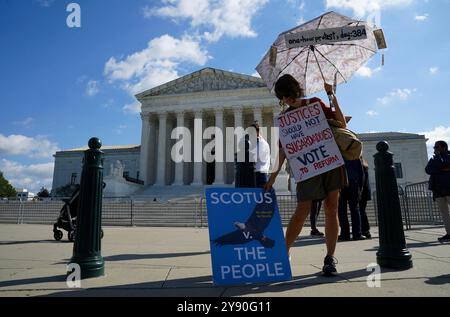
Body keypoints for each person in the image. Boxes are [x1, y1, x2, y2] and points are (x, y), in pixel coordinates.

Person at [264, 74, 348, 276]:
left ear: (296, 90)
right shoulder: (285, 118)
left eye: (288, 94)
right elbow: (282, 151)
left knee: (331, 208)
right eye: (282, 97)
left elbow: (342, 123)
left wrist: (332, 95)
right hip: (306, 167)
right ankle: (284, 252)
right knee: (302, 209)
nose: (286, 100)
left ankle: (329, 258)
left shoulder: (315, 103)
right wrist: (272, 177)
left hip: (329, 162)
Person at [425, 140, 450, 242]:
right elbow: (428, 170)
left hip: (448, 187)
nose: (434, 149)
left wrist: (439, 163)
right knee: (444, 213)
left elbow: (445, 164)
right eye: (434, 147)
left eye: (436, 147)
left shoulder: (448, 156)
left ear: (443, 147)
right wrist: (440, 167)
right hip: (438, 189)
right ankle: (449, 233)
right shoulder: (434, 158)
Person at [338, 158, 365, 241]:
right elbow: (361, 173)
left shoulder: (337, 155)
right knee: (355, 210)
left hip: (340, 184)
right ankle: (357, 234)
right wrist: (360, 187)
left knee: (342, 210)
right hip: (354, 183)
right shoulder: (354, 155)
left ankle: (344, 234)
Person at [252, 122, 271, 188]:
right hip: (256, 173)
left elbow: (257, 156)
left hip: (261, 174)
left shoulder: (262, 143)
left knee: (261, 195)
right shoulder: (255, 143)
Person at [359, 159, 372, 239]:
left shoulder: (361, 166)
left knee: (361, 211)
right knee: (362, 211)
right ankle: (364, 230)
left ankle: (365, 230)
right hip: (365, 191)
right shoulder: (365, 165)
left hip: (362, 191)